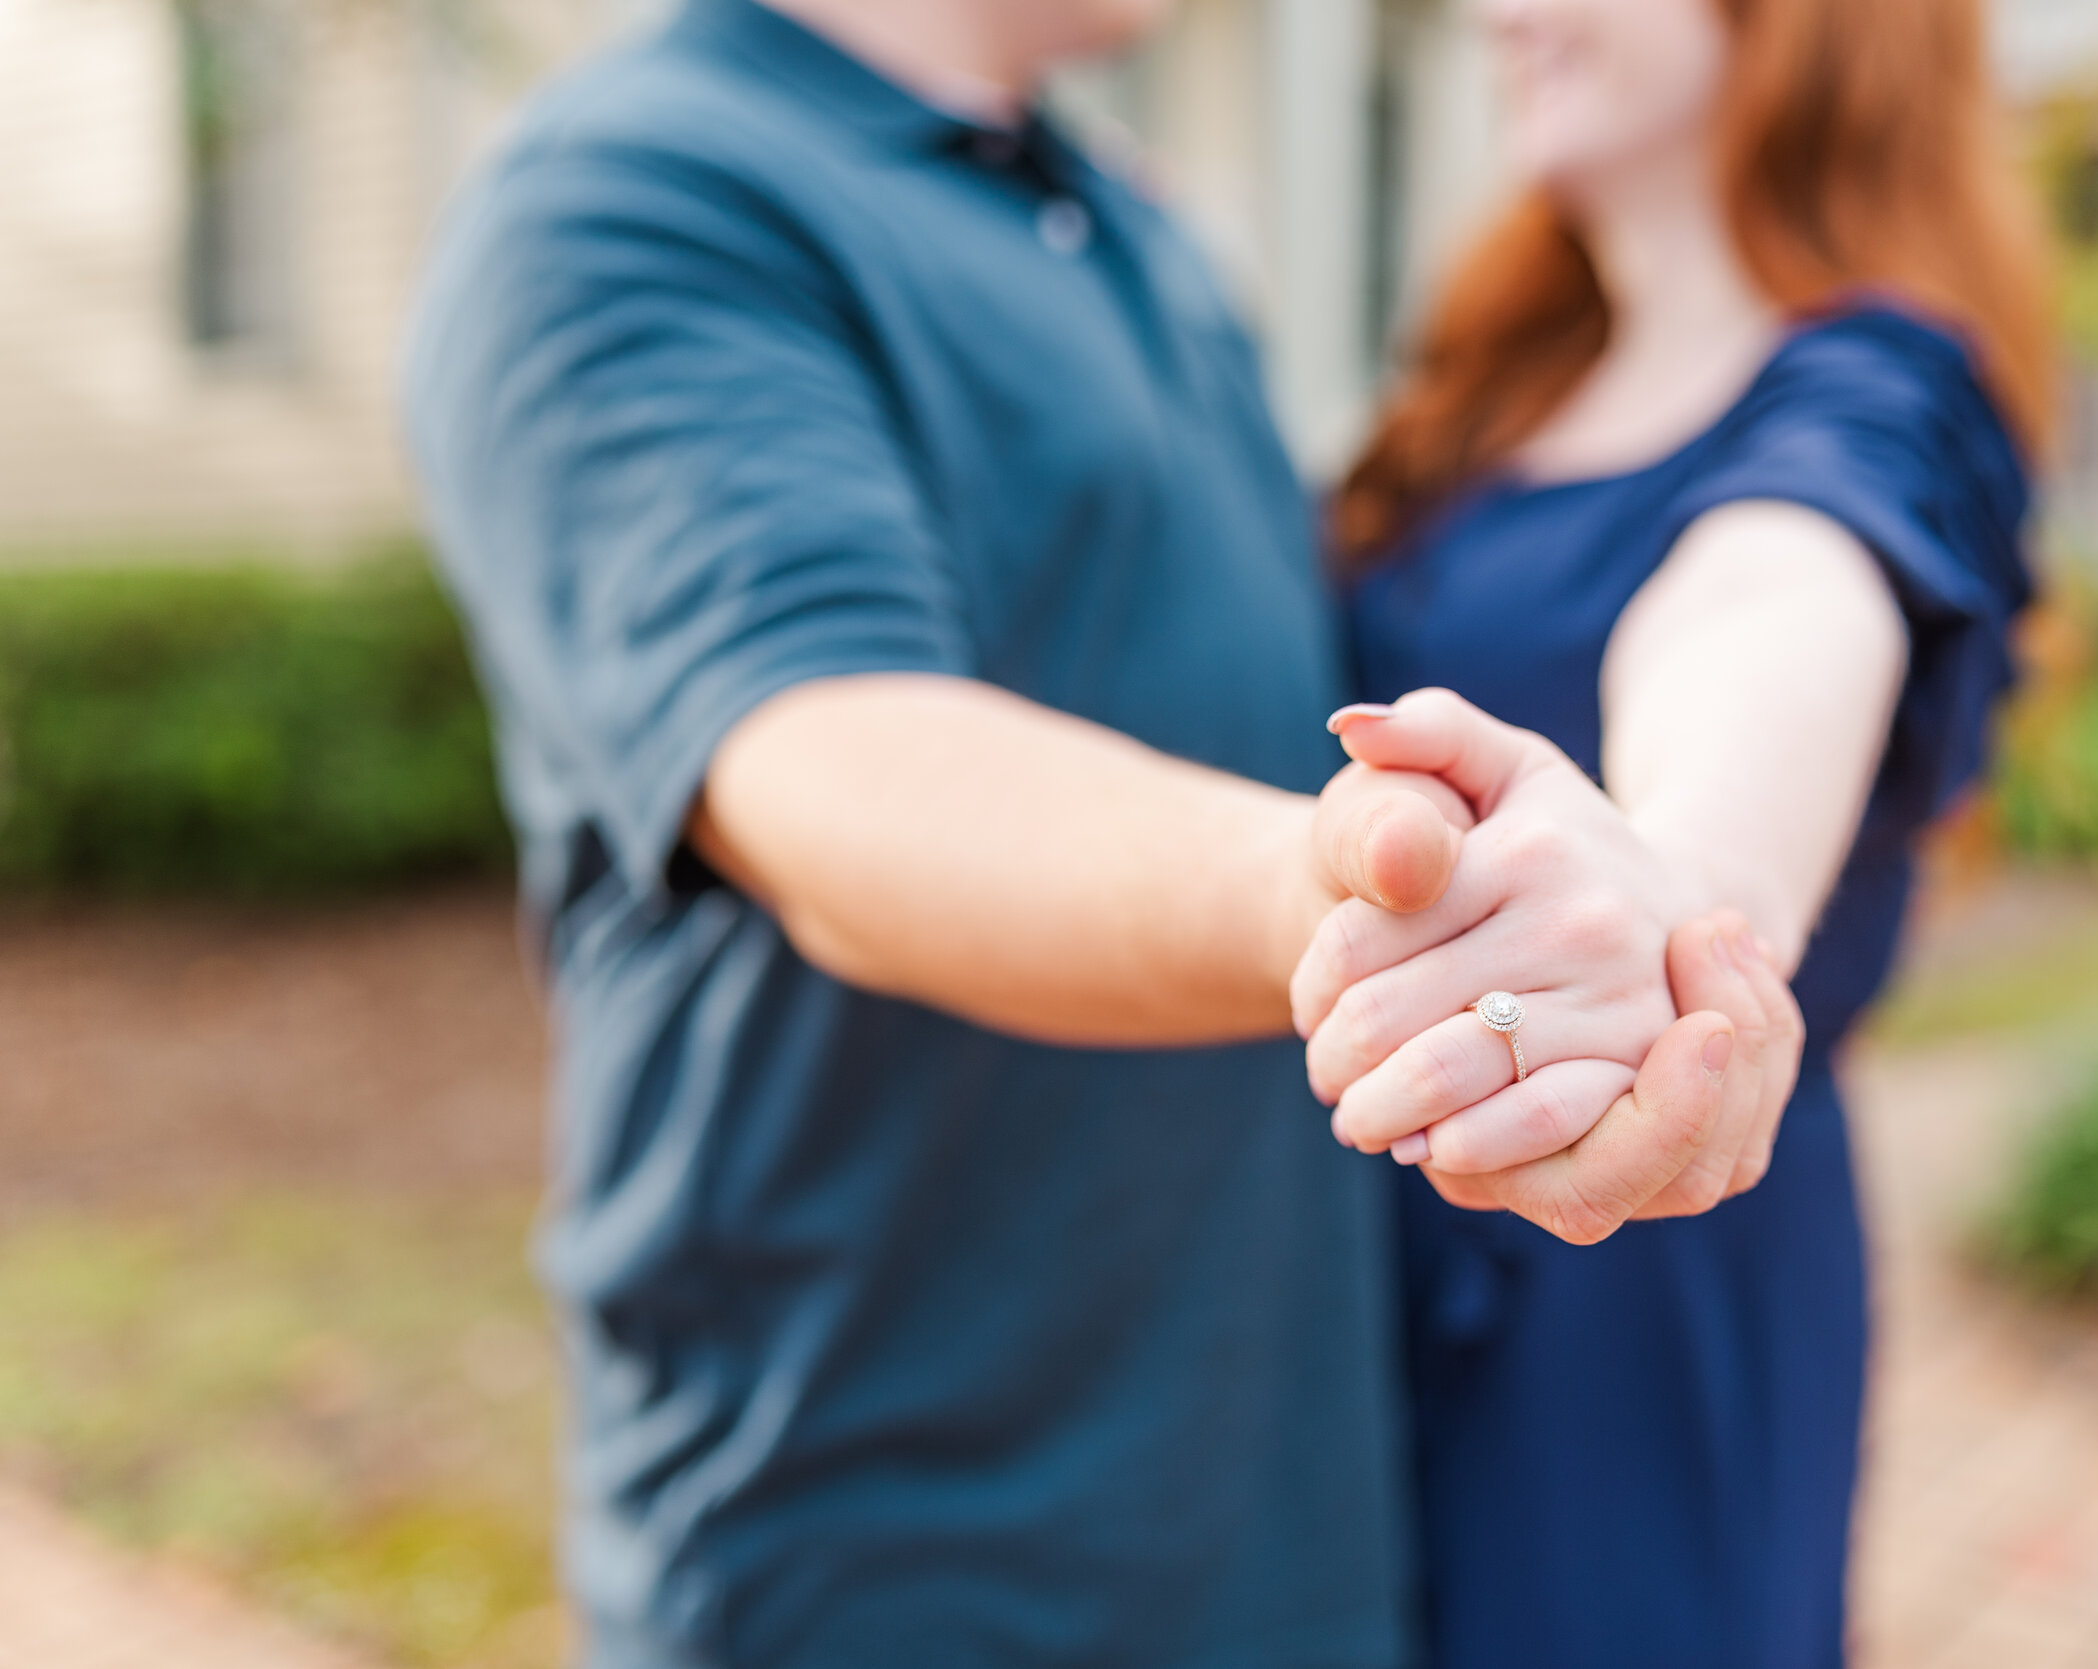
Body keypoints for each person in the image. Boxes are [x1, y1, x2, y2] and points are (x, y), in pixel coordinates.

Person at [399, 0, 1801, 1661]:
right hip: (884, 1576)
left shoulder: (1132, 227)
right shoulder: (640, 193)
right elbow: (843, 776)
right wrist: (1349, 902)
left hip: (1290, 1549)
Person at [1287, 0, 2059, 1663]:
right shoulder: (1487, 395)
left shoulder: (1877, 381)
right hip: (1356, 1260)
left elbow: (1777, 598)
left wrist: (1682, 899)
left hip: (1637, 1297)